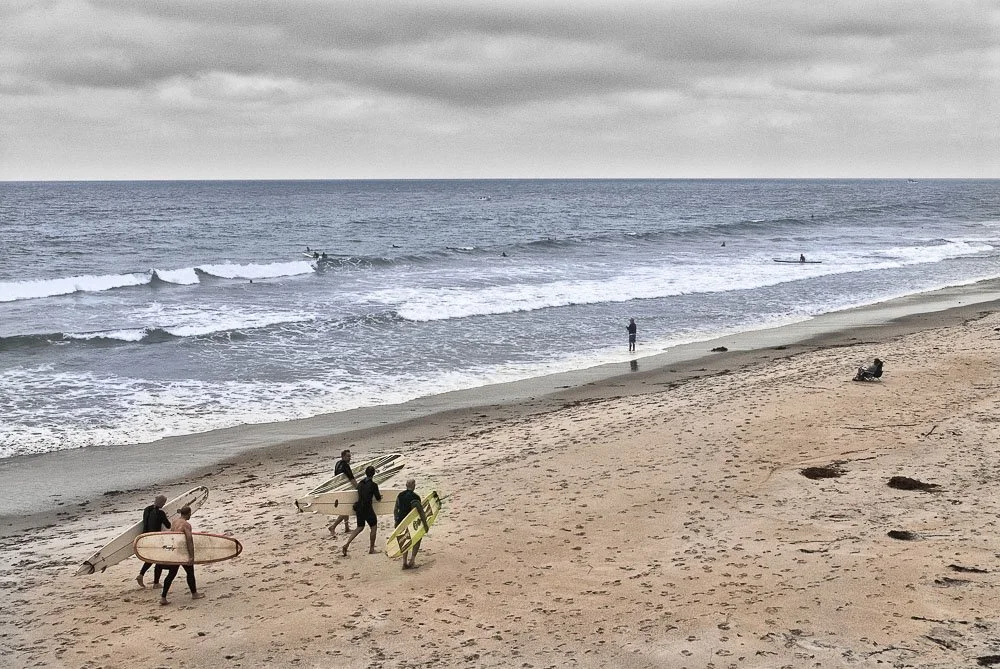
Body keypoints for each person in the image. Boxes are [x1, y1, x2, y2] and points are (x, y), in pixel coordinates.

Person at [160, 506, 204, 605]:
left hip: (175, 551)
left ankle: (163, 597)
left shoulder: (175, 522)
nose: (190, 515)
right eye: (190, 513)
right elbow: (189, 540)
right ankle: (194, 594)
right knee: (190, 572)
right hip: (182, 552)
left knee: (171, 574)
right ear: (188, 513)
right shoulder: (186, 525)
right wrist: (191, 556)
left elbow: (172, 537)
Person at [341, 466, 382, 556]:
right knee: (373, 527)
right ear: (374, 474)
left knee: (360, 527)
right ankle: (371, 549)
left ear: (365, 473)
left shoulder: (360, 483)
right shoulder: (374, 485)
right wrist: (380, 497)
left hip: (359, 507)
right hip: (367, 508)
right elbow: (378, 499)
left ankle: (346, 544)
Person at [394, 479, 430, 570]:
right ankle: (412, 561)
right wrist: (425, 524)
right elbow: (420, 511)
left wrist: (396, 520)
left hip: (400, 521)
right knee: (417, 539)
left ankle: (404, 563)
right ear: (414, 485)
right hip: (410, 523)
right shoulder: (415, 497)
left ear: (406, 485)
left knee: (405, 540)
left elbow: (395, 509)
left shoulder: (400, 495)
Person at [136, 495, 171, 588]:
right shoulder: (161, 513)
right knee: (158, 560)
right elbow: (168, 526)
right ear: (160, 502)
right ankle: (156, 583)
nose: (164, 504)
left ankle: (141, 575)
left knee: (151, 558)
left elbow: (146, 522)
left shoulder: (146, 510)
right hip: (155, 538)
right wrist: (167, 517)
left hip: (145, 537)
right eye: (164, 502)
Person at [327, 450, 356, 536]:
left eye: (350, 456)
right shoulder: (345, 466)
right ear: (343, 456)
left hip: (339, 488)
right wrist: (358, 488)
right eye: (348, 456)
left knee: (345, 508)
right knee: (347, 508)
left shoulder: (338, 463)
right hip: (344, 490)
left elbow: (336, 476)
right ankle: (333, 526)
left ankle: (347, 528)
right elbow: (351, 478)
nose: (349, 458)